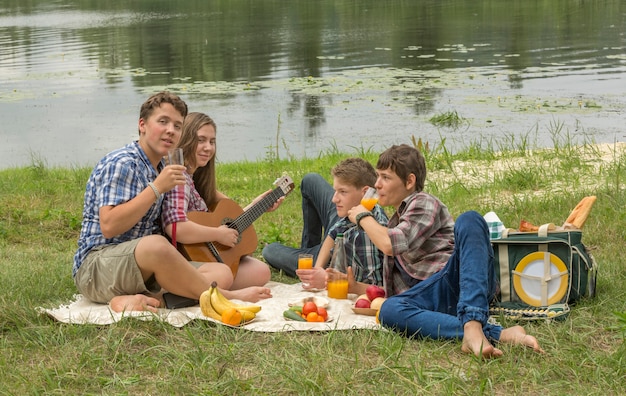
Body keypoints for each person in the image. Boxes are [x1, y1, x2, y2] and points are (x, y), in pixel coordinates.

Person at [347, 144, 544, 359]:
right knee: (389, 310)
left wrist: (362, 216)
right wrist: (357, 287)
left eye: (385, 177)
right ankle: (496, 333)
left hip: (457, 281)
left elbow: (391, 244)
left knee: (470, 219)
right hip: (432, 299)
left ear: (410, 181)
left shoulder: (423, 202)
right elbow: (404, 285)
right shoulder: (396, 219)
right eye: (378, 176)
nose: (377, 184)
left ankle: (472, 324)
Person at [73, 91, 217, 313]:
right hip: (97, 268)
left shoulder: (162, 167)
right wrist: (157, 188)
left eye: (178, 126)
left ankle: (136, 299)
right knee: (157, 245)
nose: (171, 130)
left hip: (141, 267)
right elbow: (109, 226)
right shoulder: (122, 163)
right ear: (142, 125)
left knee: (221, 272)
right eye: (163, 122)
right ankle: (224, 297)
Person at [161, 112, 280, 302]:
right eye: (201, 140)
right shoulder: (179, 179)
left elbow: (230, 221)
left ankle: (200, 287)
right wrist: (217, 234)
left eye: (212, 141)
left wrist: (257, 206)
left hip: (205, 254)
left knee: (260, 271)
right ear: (186, 139)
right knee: (224, 274)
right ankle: (176, 294)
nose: (208, 148)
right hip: (181, 258)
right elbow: (177, 228)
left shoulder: (196, 178)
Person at [262, 158, 388, 290]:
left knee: (270, 250)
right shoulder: (355, 209)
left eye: (343, 191)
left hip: (335, 262)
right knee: (310, 180)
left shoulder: (365, 237)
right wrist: (316, 269)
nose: (334, 199)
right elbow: (335, 231)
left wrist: (325, 279)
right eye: (336, 191)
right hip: (333, 241)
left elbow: (375, 289)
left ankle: (308, 259)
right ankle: (308, 251)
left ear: (365, 192)